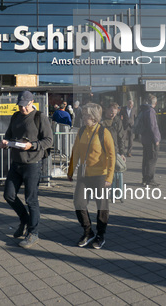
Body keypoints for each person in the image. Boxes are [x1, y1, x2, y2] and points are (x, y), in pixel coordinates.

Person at [0, 91, 53, 248]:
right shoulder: (15, 116)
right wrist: (5, 143)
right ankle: (24, 218)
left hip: (32, 164)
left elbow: (49, 140)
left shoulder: (40, 117)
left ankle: (33, 233)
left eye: (24, 106)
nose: (22, 108)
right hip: (16, 162)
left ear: (32, 102)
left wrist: (33, 146)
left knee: (31, 200)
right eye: (20, 105)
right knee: (8, 195)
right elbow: (8, 135)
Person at [67, 103, 115, 250]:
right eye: (83, 115)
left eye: (86, 115)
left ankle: (101, 235)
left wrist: (109, 178)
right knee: (79, 203)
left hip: (100, 175)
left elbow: (112, 155)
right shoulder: (81, 131)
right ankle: (88, 231)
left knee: (102, 206)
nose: (83, 117)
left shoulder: (103, 132)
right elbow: (76, 152)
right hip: (84, 175)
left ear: (94, 117)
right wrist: (70, 171)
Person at [102, 102, 127, 201]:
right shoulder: (100, 120)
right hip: (101, 150)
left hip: (114, 149)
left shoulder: (117, 121)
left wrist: (122, 153)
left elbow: (121, 137)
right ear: (107, 109)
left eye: (115, 113)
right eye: (111, 112)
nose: (113, 115)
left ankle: (115, 193)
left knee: (115, 171)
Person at [138, 94, 161, 187]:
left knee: (146, 159)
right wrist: (156, 139)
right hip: (151, 139)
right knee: (152, 159)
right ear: (155, 103)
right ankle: (150, 179)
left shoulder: (143, 110)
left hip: (144, 138)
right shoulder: (151, 111)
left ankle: (145, 178)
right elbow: (153, 126)